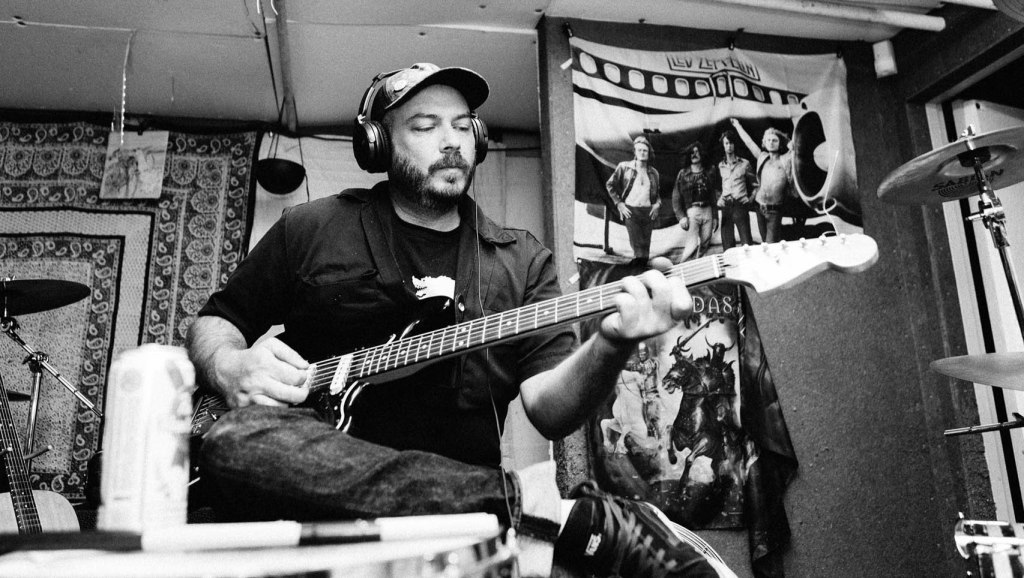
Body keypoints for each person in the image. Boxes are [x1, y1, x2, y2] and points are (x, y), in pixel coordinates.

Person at [186, 62, 732, 578]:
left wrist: (611, 343)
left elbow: (549, 409)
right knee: (234, 441)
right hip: (307, 499)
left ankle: (532, 516)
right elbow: (217, 321)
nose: (451, 140)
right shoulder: (312, 228)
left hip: (456, 533)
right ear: (376, 143)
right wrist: (229, 363)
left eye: (462, 125)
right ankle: (552, 516)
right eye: (425, 126)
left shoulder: (521, 261)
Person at [730, 118, 793, 244]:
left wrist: (788, 142)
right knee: (765, 243)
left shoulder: (786, 159)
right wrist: (737, 126)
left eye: (775, 140)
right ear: (764, 142)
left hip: (774, 210)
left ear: (780, 144)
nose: (771, 143)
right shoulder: (762, 157)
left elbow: (796, 148)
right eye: (768, 140)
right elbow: (749, 142)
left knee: (771, 244)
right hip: (759, 206)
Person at [604, 135, 662, 267]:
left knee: (645, 249)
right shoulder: (624, 167)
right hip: (631, 210)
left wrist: (657, 205)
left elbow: (657, 194)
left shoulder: (654, 173)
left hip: (648, 212)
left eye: (645, 150)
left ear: (648, 153)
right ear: (635, 152)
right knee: (637, 247)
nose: (642, 153)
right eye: (639, 150)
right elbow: (610, 185)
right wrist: (619, 204)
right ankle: (637, 271)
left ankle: (641, 271)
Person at [671, 142, 718, 262]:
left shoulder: (710, 171)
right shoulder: (683, 173)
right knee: (692, 244)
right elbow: (676, 197)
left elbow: (713, 196)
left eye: (697, 152)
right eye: (692, 152)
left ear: (702, 154)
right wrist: (681, 217)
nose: (694, 154)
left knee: (706, 241)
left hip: (707, 210)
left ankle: (698, 267)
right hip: (692, 211)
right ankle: (683, 268)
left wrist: (715, 216)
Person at [714, 130, 756, 249]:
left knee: (747, 242)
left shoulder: (745, 164)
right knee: (727, 244)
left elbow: (755, 185)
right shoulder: (720, 166)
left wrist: (750, 199)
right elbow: (716, 187)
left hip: (740, 206)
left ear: (735, 144)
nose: (729, 146)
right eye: (726, 143)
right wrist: (719, 200)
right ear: (723, 145)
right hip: (726, 207)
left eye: (731, 143)